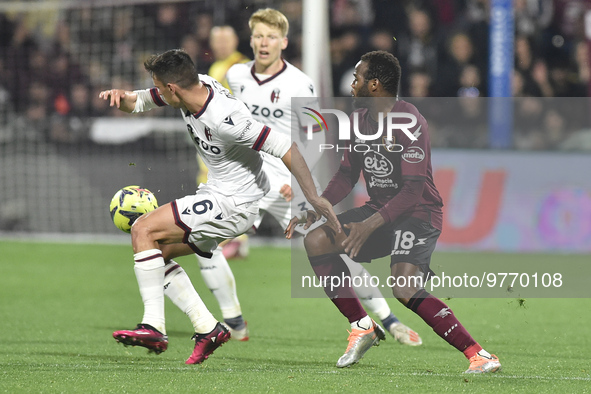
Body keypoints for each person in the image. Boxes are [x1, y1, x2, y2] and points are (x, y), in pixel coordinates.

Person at [98, 49, 338, 364]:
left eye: (158, 85)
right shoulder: (191, 88)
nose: (156, 91)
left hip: (235, 201)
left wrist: (314, 197)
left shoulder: (227, 119)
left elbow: (285, 147)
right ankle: (208, 328)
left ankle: (153, 326)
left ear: (174, 88)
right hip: (219, 193)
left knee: (143, 228)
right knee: (157, 254)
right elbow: (141, 101)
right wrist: (124, 98)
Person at [286, 50, 501, 373]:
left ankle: (479, 355)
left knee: (404, 287)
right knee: (316, 240)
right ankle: (362, 326)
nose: (352, 85)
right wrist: (318, 206)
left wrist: (369, 224)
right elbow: (347, 174)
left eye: (357, 78)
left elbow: (413, 190)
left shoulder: (409, 120)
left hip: (419, 213)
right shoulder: (357, 120)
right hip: (380, 211)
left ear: (374, 85)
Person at [222, 8, 421, 346]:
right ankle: (231, 320)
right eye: (258, 36)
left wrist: (299, 181)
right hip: (244, 181)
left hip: (287, 185)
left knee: (334, 249)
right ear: (251, 39)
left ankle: (387, 318)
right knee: (200, 241)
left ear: (283, 42)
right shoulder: (236, 75)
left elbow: (314, 138)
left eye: (271, 37)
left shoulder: (300, 83)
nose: (263, 43)